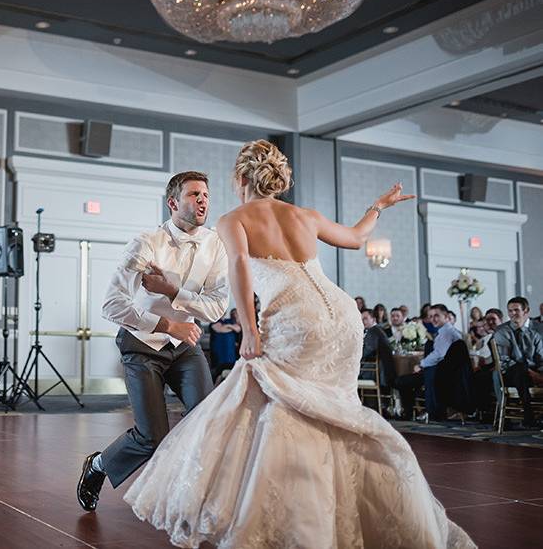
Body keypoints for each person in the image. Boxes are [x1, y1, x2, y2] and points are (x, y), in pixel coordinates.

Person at [122, 140, 473, 547]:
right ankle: (341, 505)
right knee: (333, 410)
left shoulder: (233, 219)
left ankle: (301, 518)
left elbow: (239, 267)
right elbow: (357, 237)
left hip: (295, 319)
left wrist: (249, 330)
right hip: (343, 318)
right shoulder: (306, 215)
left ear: (240, 179)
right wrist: (378, 205)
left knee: (286, 409)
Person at [76, 171, 228, 512]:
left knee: (207, 419)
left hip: (184, 347)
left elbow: (217, 307)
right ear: (173, 202)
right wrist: (167, 324)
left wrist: (174, 292)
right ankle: (98, 466)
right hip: (141, 344)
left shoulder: (216, 245)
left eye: (205, 194)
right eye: (193, 195)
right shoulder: (146, 243)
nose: (203, 200)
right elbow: (112, 305)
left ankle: (193, 496)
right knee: (151, 438)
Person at [396, 304, 463, 421]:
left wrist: (421, 364)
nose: (433, 319)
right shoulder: (445, 331)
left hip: (440, 376)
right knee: (407, 381)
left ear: (446, 316)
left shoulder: (446, 332)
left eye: (436, 315)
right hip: (440, 373)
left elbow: (438, 355)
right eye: (431, 316)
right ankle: (417, 411)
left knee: (401, 381)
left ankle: (411, 413)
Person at [493, 296, 543, 428]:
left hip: (535, 371)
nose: (512, 314)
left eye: (516, 310)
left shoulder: (537, 331)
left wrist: (540, 374)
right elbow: (505, 360)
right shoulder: (502, 331)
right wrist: (529, 372)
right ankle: (528, 413)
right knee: (520, 369)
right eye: (510, 311)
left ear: (526, 311)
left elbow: (541, 357)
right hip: (511, 373)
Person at [360, 308, 396, 394]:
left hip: (377, 371)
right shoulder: (377, 329)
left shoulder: (373, 331)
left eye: (365, 318)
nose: (363, 321)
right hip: (379, 370)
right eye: (361, 319)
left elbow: (365, 352)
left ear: (373, 319)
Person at [209, 308, 241, 382]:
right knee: (217, 374)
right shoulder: (214, 322)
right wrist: (230, 327)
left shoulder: (229, 321)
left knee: (231, 375)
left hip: (230, 355)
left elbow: (238, 329)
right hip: (219, 355)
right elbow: (220, 329)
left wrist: (227, 326)